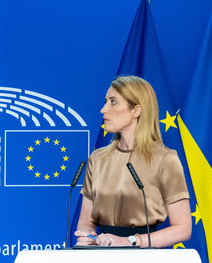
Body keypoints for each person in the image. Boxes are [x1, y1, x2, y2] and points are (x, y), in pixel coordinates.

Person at [75, 75, 191, 248]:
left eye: (113, 102)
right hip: (101, 259)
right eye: (105, 101)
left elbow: (183, 229)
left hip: (144, 261)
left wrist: (132, 241)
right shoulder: (97, 159)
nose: (103, 109)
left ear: (136, 110)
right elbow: (85, 222)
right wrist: (88, 237)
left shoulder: (165, 159)